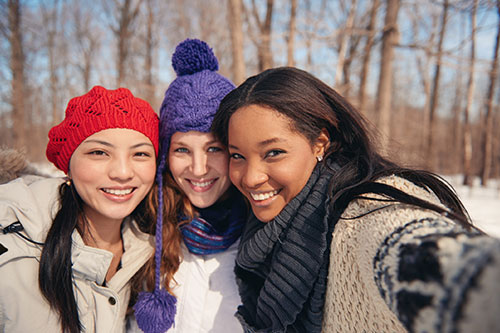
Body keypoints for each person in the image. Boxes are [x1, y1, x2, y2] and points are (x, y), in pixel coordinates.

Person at [211, 66, 500, 333]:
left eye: (273, 152)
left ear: (320, 143)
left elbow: (423, 252)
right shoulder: (263, 228)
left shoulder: (366, 209)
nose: (250, 178)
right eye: (238, 156)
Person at [0, 86, 159, 333]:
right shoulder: (11, 247)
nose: (122, 173)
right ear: (68, 167)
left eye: (140, 154)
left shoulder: (154, 251)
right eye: (99, 152)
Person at [132, 39, 246, 333]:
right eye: (182, 150)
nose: (198, 169)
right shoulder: (139, 230)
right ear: (165, 156)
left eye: (214, 149)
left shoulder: (263, 235)